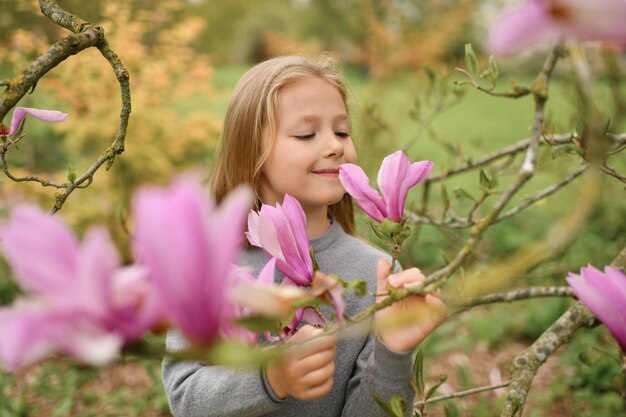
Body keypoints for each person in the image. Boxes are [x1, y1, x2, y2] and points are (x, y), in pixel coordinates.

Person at [161, 55, 447, 417]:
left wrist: (393, 352)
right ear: (251, 153)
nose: (335, 146)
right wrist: (270, 378)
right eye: (306, 134)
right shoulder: (208, 265)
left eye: (342, 131)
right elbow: (185, 397)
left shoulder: (377, 272)